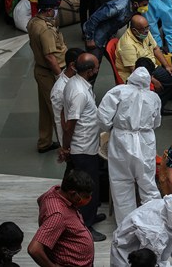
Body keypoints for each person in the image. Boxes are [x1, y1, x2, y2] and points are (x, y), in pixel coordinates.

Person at [98, 66, 162, 225]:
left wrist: (112, 128)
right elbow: (156, 122)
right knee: (148, 183)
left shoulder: (118, 91)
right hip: (145, 140)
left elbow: (103, 117)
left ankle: (127, 228)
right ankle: (153, 224)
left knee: (121, 184)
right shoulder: (154, 97)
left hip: (121, 140)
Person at [61, 52, 106, 241]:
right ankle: (85, 226)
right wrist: (66, 147)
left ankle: (90, 215)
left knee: (75, 182)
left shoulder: (75, 83)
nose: (97, 70)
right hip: (83, 147)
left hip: (86, 143)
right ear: (89, 71)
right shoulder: (79, 91)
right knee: (87, 187)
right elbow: (71, 122)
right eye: (96, 67)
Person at [28, 170, 95, 266]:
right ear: (72, 194)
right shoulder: (58, 215)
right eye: (85, 197)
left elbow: (40, 200)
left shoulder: (55, 191)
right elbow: (34, 249)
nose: (88, 199)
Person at [27, 0, 67, 153]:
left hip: (41, 71)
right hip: (50, 73)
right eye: (56, 9)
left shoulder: (34, 22)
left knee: (45, 108)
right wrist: (60, 77)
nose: (57, 12)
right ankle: (66, 146)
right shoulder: (45, 30)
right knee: (58, 110)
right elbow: (50, 57)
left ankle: (44, 142)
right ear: (49, 11)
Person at [114, 15, 172, 114]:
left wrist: (167, 65)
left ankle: (160, 100)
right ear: (134, 30)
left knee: (171, 75)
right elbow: (134, 70)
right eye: (143, 29)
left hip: (150, 66)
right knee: (170, 80)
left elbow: (155, 48)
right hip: (137, 73)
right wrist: (153, 80)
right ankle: (157, 108)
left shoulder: (144, 32)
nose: (146, 31)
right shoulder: (127, 44)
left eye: (147, 27)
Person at [83, 0, 152, 69]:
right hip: (97, 37)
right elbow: (94, 19)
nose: (146, 7)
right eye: (144, 5)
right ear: (136, 4)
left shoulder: (134, 6)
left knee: (118, 64)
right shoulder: (117, 8)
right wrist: (89, 39)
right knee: (93, 67)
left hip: (109, 36)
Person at [110, 195, 172, 267]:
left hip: (138, 242)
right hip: (125, 248)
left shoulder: (167, 207)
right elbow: (152, 262)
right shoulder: (156, 233)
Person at [51, 47, 84, 144]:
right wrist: (64, 147)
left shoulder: (78, 78)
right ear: (72, 65)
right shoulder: (59, 90)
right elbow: (59, 122)